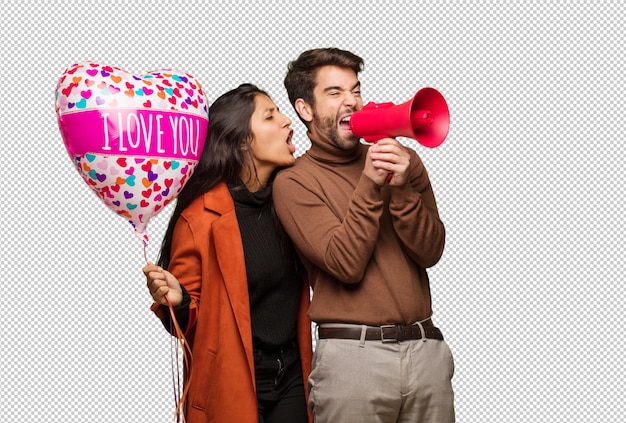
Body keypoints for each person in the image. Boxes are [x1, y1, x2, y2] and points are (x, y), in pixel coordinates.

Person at [272, 48, 455, 422]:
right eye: (335, 93)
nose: (352, 102)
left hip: (425, 350)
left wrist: (402, 188)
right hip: (352, 359)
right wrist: (372, 185)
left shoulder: (402, 162)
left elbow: (431, 250)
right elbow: (345, 263)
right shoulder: (294, 182)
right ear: (305, 109)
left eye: (355, 90)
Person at [143, 83, 313, 423]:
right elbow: (185, 327)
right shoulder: (199, 219)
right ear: (241, 141)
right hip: (232, 381)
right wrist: (179, 301)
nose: (286, 121)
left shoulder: (292, 199)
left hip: (293, 376)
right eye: (270, 115)